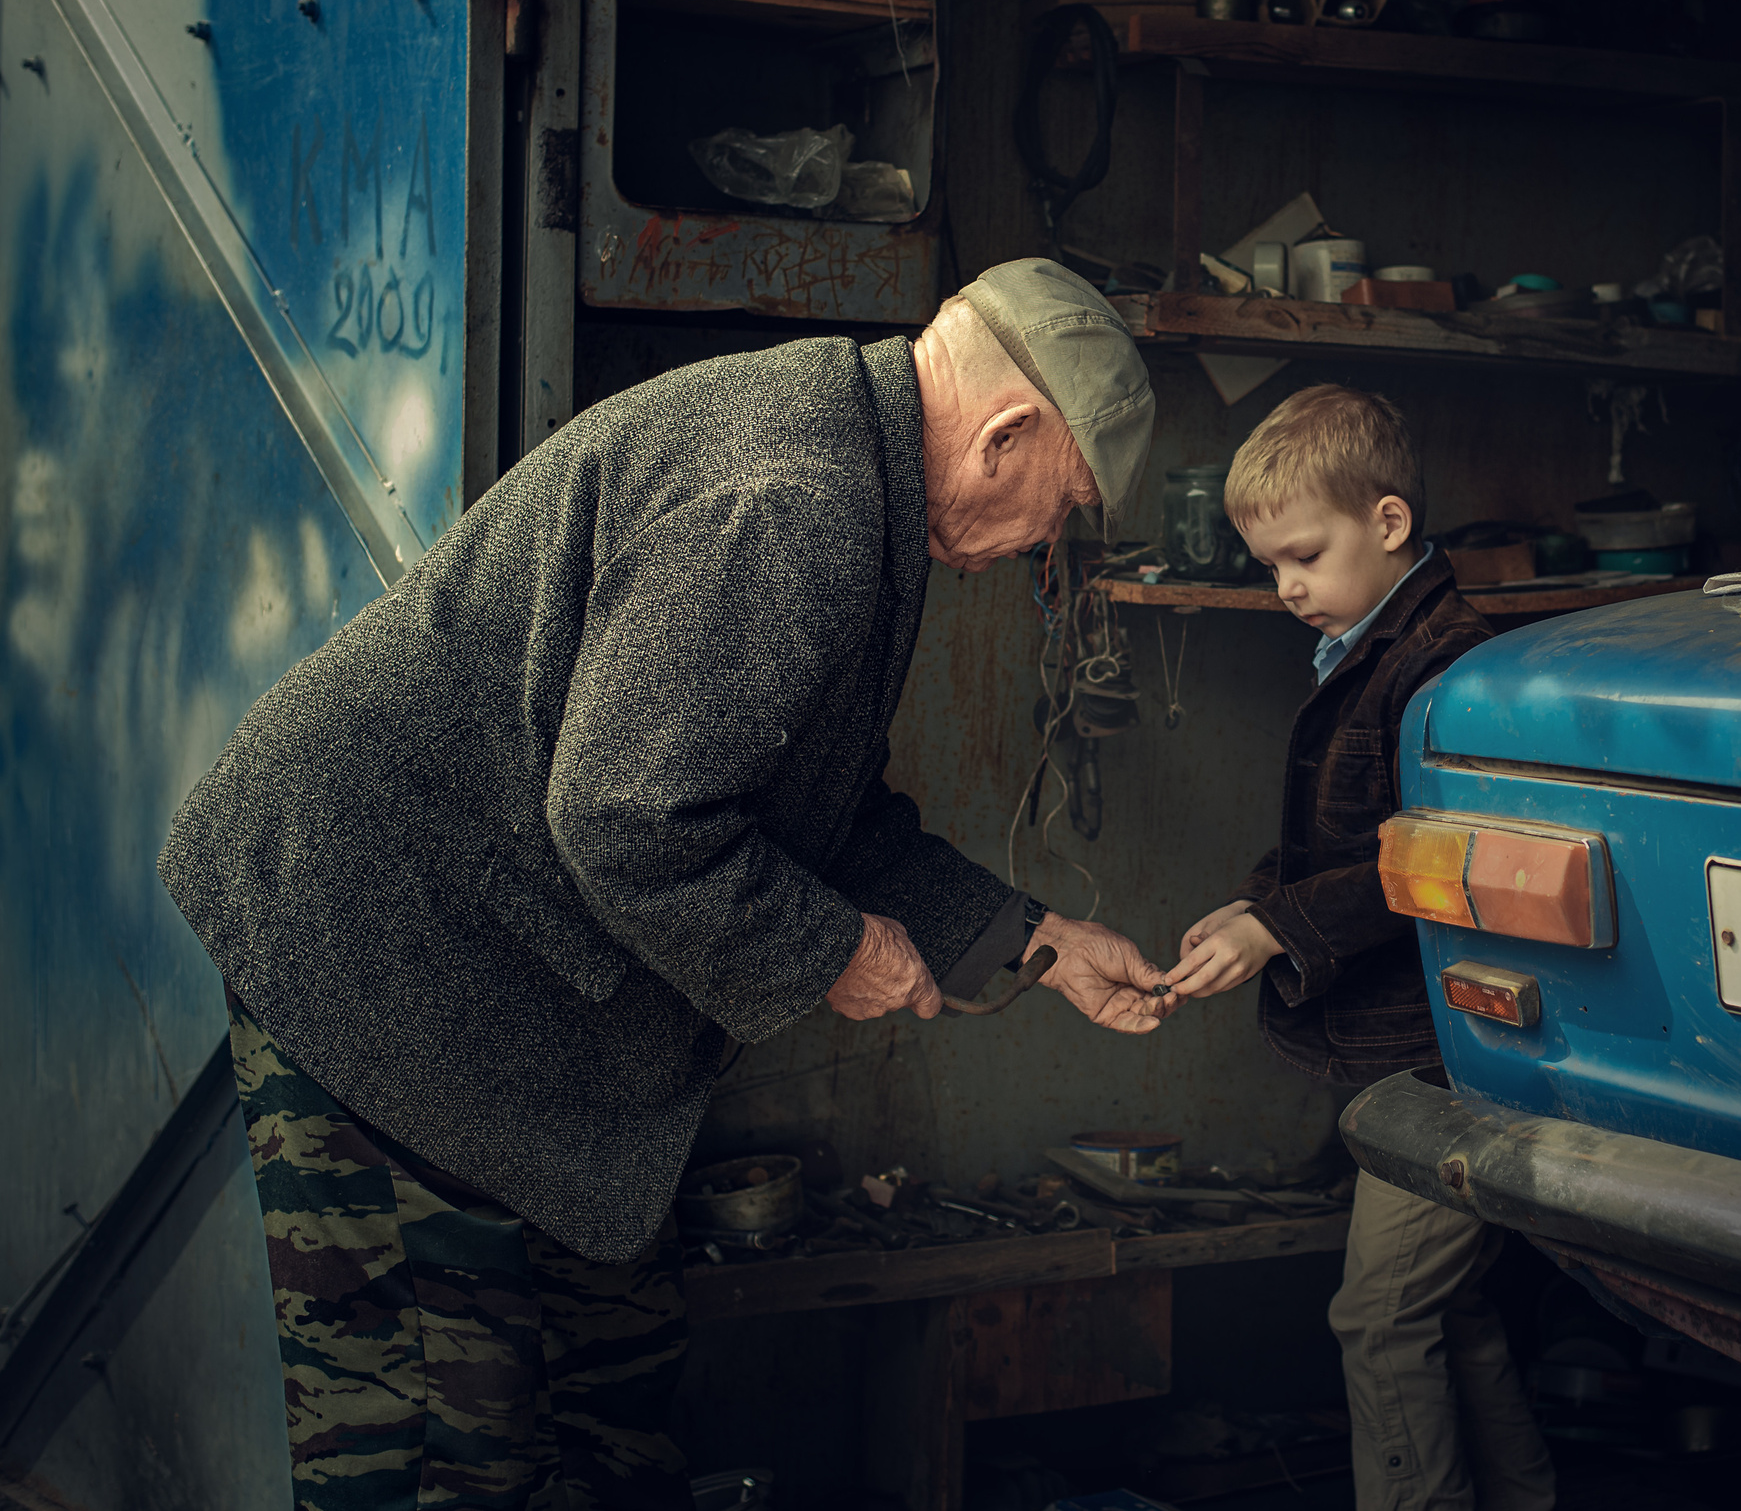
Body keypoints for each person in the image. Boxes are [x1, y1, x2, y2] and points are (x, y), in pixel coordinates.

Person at [157, 259, 1170, 1511]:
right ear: (1003, 436)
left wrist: (1038, 940)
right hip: (383, 950)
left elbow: (809, 810)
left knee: (615, 1384)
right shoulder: (798, 498)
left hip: (496, 966)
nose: (1046, 543)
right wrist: (832, 951)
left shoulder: (854, 467)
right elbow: (631, 819)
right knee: (442, 1443)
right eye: (1063, 507)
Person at [1160, 385, 1555, 1511]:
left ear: (1388, 523)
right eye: (1269, 566)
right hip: (1418, 1050)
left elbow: (1428, 860)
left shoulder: (1447, 670)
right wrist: (1252, 904)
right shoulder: (1363, 648)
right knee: (1449, 1307)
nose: (1285, 586)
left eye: (1304, 556)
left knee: (1379, 1316)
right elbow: (1336, 837)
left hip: (1455, 1054)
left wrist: (1275, 926)